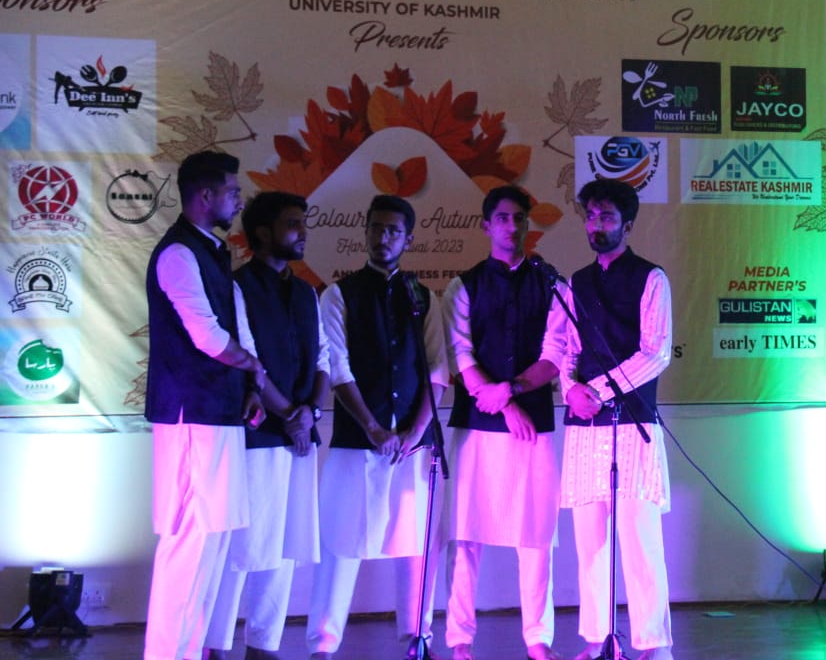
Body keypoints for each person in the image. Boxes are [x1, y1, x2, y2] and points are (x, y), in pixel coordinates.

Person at [306, 195, 449, 659]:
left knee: (416, 546)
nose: (382, 237)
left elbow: (437, 370)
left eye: (393, 231)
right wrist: (371, 427)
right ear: (365, 232)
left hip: (413, 443)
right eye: (376, 228)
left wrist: (413, 432)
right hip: (357, 441)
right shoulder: (339, 294)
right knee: (340, 541)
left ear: (408, 239)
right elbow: (337, 366)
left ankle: (417, 638)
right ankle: (323, 643)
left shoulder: (422, 297)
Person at [144, 150, 268, 660]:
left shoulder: (212, 252)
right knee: (189, 541)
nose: (239, 201)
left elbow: (235, 329)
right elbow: (209, 337)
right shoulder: (178, 254)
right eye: (233, 192)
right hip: (190, 413)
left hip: (219, 412)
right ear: (206, 196)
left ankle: (189, 651)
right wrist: (254, 368)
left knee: (213, 540)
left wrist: (252, 386)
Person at [549, 179, 673, 660]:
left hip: (632, 425)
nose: (596, 225)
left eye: (606, 217)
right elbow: (568, 349)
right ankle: (598, 639)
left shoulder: (651, 278)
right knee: (590, 544)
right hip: (585, 429)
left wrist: (597, 392)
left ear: (628, 225)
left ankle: (653, 645)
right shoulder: (575, 282)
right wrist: (570, 390)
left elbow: (655, 352)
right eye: (591, 217)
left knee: (640, 541)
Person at [442, 186, 565, 660]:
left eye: (519, 218)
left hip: (533, 428)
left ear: (529, 224)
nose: (512, 226)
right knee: (466, 537)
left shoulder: (552, 284)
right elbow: (461, 356)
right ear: (486, 225)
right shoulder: (463, 286)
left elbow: (555, 355)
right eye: (502, 218)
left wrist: (512, 391)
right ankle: (459, 639)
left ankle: (538, 639)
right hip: (477, 425)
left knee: (536, 536)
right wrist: (505, 404)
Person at [207, 192, 329, 660]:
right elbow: (248, 359)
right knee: (243, 543)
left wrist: (310, 412)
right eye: (292, 223)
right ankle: (216, 644)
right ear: (262, 233)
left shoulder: (305, 292)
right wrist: (290, 414)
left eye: (303, 223)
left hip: (300, 433)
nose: (303, 232)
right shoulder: (238, 287)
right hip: (257, 435)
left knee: (283, 544)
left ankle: (264, 643)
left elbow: (322, 359)